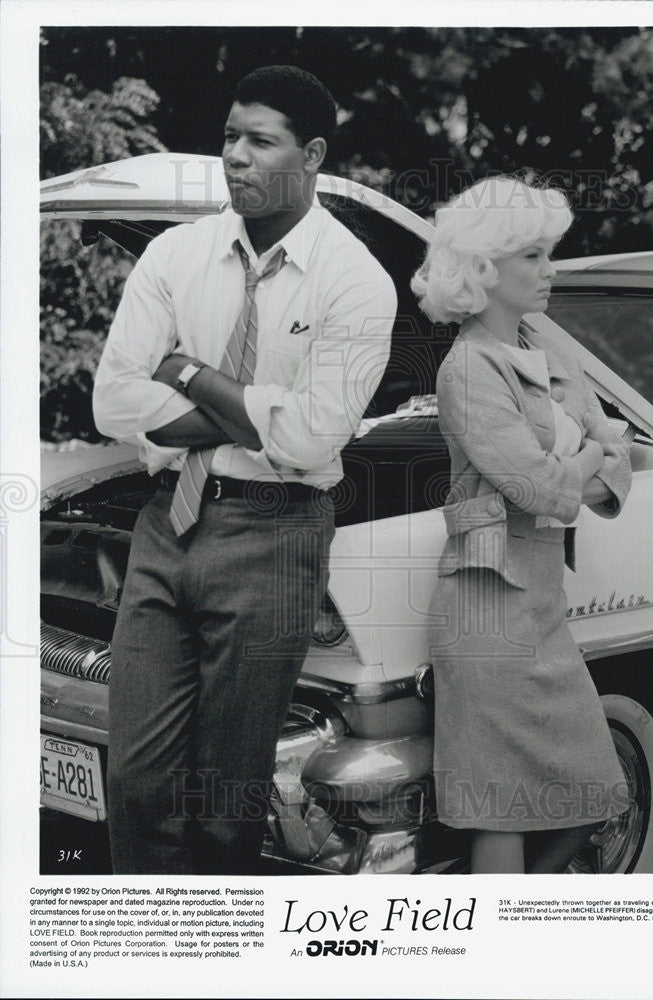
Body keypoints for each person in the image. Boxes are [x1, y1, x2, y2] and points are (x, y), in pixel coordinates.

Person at [93, 65, 397, 874]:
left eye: (259, 141)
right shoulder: (175, 254)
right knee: (135, 781)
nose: (234, 156)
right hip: (166, 523)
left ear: (312, 155)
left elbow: (307, 441)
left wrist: (189, 373)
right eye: (229, 137)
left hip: (276, 535)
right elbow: (113, 405)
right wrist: (252, 408)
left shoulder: (355, 280)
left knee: (226, 797)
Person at [411, 176, 632, 874]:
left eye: (548, 255)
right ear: (483, 268)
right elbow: (538, 485)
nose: (550, 270)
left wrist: (586, 460)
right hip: (484, 608)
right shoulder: (468, 367)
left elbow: (609, 463)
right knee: (500, 810)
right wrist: (592, 454)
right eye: (533, 257)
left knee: (594, 796)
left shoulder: (547, 349)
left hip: (539, 604)